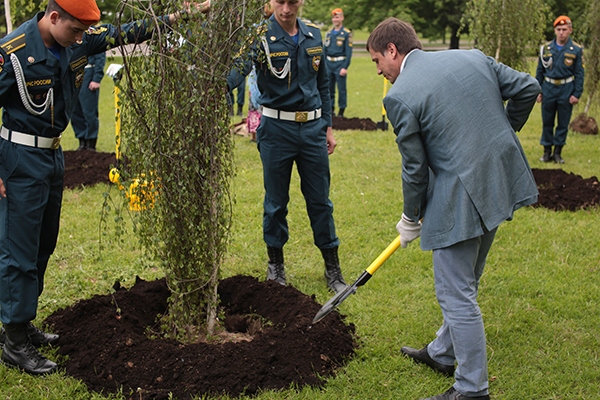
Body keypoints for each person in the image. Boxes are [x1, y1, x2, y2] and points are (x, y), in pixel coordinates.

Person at [0, 0, 208, 375]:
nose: (81, 38)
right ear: (53, 17)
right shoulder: (12, 52)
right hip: (18, 157)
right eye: (75, 30)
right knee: (19, 249)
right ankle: (14, 342)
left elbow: (127, 32)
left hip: (52, 156)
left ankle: (23, 322)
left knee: (43, 243)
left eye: (84, 33)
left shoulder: (76, 41)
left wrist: (183, 15)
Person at [366, 18, 540, 400]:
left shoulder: (399, 96)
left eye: (378, 60)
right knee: (465, 281)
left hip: (462, 197)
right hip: (500, 179)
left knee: (456, 292)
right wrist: (503, 135)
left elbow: (414, 170)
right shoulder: (472, 58)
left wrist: (410, 218)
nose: (379, 70)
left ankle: (472, 388)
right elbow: (529, 86)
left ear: (393, 51)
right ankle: (443, 353)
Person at [227, 0, 346, 293]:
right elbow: (236, 72)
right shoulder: (258, 38)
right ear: (270, 2)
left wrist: (328, 126)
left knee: (320, 201)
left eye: (292, 2)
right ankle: (276, 267)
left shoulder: (314, 35)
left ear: (301, 2)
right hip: (277, 129)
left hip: (313, 130)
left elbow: (323, 85)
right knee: (276, 202)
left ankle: (333, 270)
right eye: (280, 1)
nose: (286, 9)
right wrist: (210, 86)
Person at [535, 15, 585, 164]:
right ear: (555, 30)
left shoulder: (575, 49)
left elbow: (579, 74)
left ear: (570, 30)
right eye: (558, 29)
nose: (561, 32)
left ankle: (557, 152)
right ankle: (546, 152)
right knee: (547, 121)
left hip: (566, 89)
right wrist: (538, 90)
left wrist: (577, 93)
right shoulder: (546, 49)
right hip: (549, 88)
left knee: (563, 122)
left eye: (564, 29)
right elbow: (539, 72)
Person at [71, 51, 106, 151]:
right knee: (75, 110)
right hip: (74, 74)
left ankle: (91, 142)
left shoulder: (90, 34)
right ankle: (82, 140)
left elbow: (100, 54)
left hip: (88, 73)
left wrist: (96, 78)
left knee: (89, 110)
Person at [323, 7, 352, 118]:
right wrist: (324, 65)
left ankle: (341, 111)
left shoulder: (346, 34)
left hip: (340, 64)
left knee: (341, 89)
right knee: (329, 89)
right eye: (334, 17)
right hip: (329, 64)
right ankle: (331, 110)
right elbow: (325, 50)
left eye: (337, 17)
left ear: (342, 18)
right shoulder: (329, 33)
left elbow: (349, 53)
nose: (335, 19)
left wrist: (345, 67)